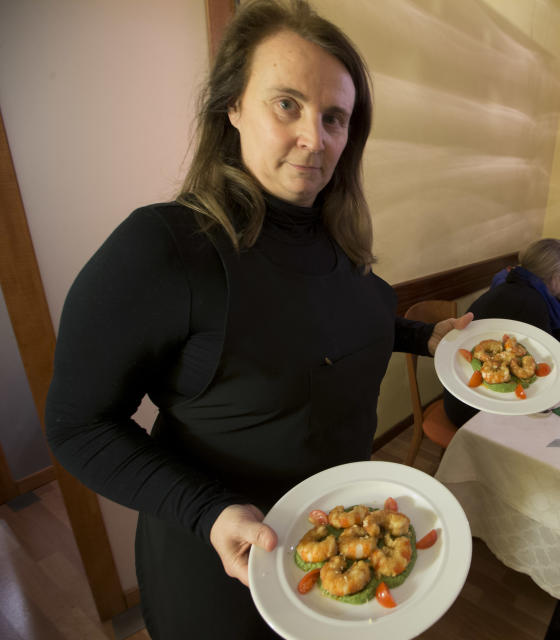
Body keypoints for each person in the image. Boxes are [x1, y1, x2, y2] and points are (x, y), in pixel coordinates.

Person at [43, 2, 469, 638]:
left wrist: (422, 336)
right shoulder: (164, 248)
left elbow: (327, 330)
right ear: (232, 107)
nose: (314, 137)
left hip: (338, 549)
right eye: (287, 104)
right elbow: (77, 426)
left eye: (335, 118)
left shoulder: (338, 237)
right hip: (221, 567)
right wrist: (210, 511)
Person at [443, 238, 560, 427]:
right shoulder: (532, 303)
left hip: (459, 397)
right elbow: (554, 360)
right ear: (556, 275)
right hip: (475, 414)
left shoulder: (508, 286)